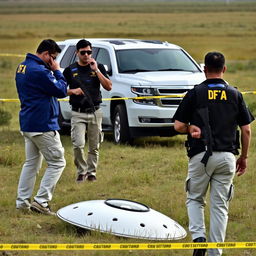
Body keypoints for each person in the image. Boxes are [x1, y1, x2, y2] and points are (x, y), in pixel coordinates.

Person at [173, 52, 254, 256]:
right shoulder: (235, 94)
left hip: (200, 155)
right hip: (227, 157)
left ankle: (199, 239)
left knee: (195, 198)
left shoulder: (195, 93)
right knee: (220, 206)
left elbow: (178, 125)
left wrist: (191, 128)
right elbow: (246, 130)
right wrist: (243, 157)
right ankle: (215, 252)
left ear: (204, 69)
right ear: (224, 69)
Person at [15, 39, 68, 215]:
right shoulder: (40, 71)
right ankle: (41, 201)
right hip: (43, 124)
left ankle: (22, 203)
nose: (53, 61)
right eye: (52, 58)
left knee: (31, 164)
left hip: (28, 122)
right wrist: (57, 71)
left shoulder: (22, 67)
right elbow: (60, 90)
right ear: (46, 54)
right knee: (57, 162)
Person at [63, 39, 112, 183]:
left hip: (95, 111)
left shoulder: (98, 67)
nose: (86, 55)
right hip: (78, 112)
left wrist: (96, 70)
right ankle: (81, 171)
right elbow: (60, 90)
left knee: (94, 146)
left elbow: (108, 86)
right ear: (77, 53)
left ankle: (91, 173)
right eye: (83, 52)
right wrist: (72, 91)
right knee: (78, 145)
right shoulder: (69, 70)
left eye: (89, 52)